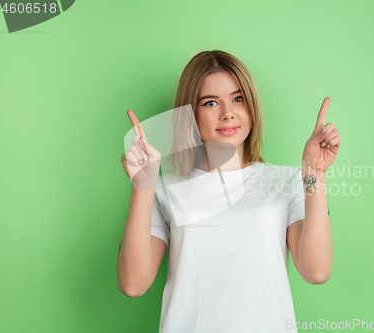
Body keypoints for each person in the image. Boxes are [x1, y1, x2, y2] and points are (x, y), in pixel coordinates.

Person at [117, 50, 340, 333]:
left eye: (238, 99)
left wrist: (315, 173)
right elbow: (133, 284)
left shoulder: (288, 181)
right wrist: (142, 186)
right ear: (191, 115)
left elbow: (316, 271)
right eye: (210, 102)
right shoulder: (163, 189)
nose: (228, 113)